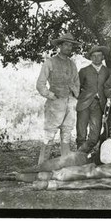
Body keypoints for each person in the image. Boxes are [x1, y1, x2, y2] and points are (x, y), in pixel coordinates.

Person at [0, 126, 111, 184]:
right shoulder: (109, 143)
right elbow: (104, 158)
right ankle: (21, 171)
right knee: (48, 165)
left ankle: (15, 176)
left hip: (88, 168)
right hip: (80, 159)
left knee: (53, 174)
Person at [36, 32, 81, 164]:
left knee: (67, 133)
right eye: (66, 45)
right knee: (49, 134)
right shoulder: (50, 62)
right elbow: (40, 84)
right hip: (55, 104)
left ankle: (64, 165)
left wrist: (74, 97)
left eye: (70, 46)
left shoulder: (72, 64)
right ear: (60, 46)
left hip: (70, 103)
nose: (68, 48)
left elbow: (76, 82)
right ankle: (42, 165)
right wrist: (51, 95)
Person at [76, 45, 111, 153]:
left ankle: (81, 152)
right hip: (84, 104)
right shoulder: (84, 71)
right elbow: (77, 87)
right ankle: (81, 158)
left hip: (99, 105)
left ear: (103, 57)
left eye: (99, 56)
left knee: (94, 136)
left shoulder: (107, 71)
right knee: (81, 132)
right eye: (94, 56)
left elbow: (109, 87)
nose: (96, 58)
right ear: (90, 58)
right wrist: (80, 97)